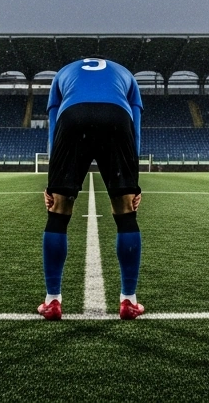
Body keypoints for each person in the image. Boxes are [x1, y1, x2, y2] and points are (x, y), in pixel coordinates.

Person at [38, 57, 145, 320]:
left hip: (73, 116)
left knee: (58, 213)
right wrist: (134, 182)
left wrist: (53, 182)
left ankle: (52, 301)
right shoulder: (126, 73)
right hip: (117, 118)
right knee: (126, 214)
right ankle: (129, 301)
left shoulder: (63, 72)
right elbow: (136, 128)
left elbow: (54, 125)